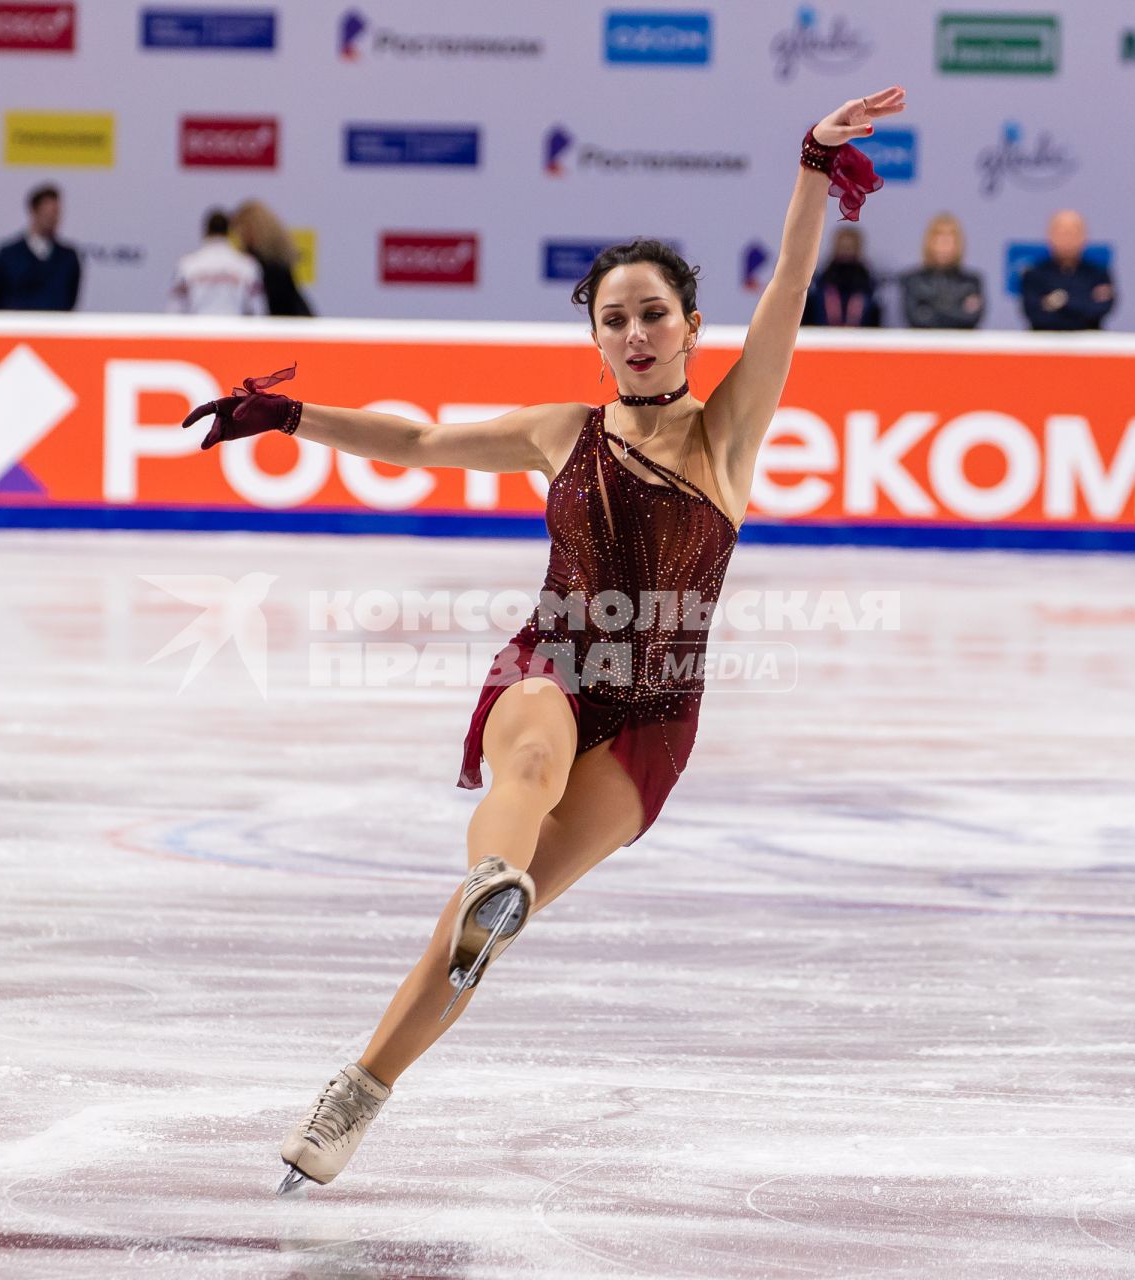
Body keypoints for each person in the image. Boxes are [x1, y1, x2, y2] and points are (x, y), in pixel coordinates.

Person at [183, 86, 905, 1195]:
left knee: (478, 938)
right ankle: (493, 874)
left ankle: (360, 1089)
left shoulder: (727, 431)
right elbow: (419, 439)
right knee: (522, 776)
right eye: (615, 318)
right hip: (555, 659)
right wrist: (292, 416)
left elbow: (792, 289)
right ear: (595, 336)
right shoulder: (560, 430)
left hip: (656, 714)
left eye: (655, 313)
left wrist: (813, 166)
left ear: (691, 327)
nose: (636, 333)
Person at [0, 184, 82, 312]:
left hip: (55, 328)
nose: (52, 219)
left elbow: (70, 298)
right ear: (34, 211)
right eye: (47, 213)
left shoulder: (68, 257)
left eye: (56, 213)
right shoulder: (8, 255)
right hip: (16, 328)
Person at [1020, 210, 1113, 331]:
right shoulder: (1034, 274)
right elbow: (1037, 315)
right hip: (1044, 344)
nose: (1068, 238)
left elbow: (1097, 311)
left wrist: (1057, 302)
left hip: (1088, 345)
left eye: (1073, 232)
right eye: (1062, 232)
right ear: (1050, 235)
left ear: (1084, 236)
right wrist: (1082, 300)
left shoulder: (1098, 274)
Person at [169, 208, 265, 316]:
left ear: (206, 232)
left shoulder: (187, 265)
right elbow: (258, 311)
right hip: (233, 330)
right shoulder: (247, 266)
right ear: (229, 232)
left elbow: (175, 311)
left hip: (199, 330)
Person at [900, 212, 984, 329]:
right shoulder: (914, 280)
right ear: (929, 243)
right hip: (924, 346)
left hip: (959, 346)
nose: (944, 247)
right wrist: (956, 309)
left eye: (949, 241)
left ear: (958, 244)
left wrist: (930, 309)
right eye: (939, 240)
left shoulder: (971, 282)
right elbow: (915, 318)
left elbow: (971, 318)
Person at [233, 199, 314, 317]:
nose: (239, 239)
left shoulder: (263, 269)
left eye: (240, 232)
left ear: (250, 230)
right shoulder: (280, 265)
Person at [803, 225, 881, 326]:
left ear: (858, 249)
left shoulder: (869, 286)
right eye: (843, 247)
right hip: (822, 337)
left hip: (860, 338)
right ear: (835, 247)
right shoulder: (820, 284)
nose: (846, 251)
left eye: (850, 247)